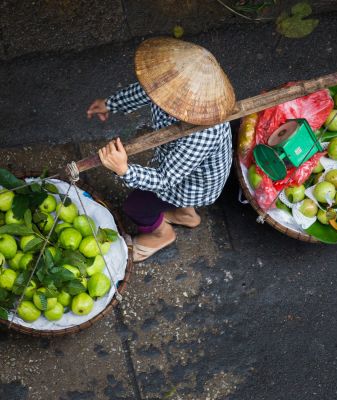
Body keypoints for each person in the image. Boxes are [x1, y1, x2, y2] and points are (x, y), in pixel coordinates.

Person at [86, 37, 236, 262]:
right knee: (172, 195)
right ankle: (187, 214)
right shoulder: (169, 90)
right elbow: (145, 92)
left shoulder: (203, 133)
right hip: (183, 166)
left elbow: (166, 178)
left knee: (135, 206)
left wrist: (124, 170)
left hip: (194, 183)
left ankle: (161, 234)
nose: (161, 95)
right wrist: (112, 103)